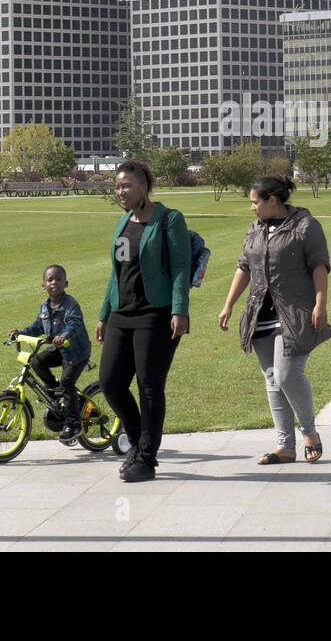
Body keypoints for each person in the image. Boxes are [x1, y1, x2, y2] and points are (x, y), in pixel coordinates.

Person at [218, 176, 330, 465]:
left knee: (287, 374)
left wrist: (320, 304)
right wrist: (228, 305)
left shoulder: (305, 225)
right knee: (272, 379)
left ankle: (309, 433)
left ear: (272, 200)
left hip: (293, 314)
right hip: (261, 315)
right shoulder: (255, 229)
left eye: (255, 202)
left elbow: (319, 265)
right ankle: (285, 447)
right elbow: (244, 267)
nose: (252, 208)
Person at [95, 160, 190, 482]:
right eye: (118, 186)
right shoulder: (124, 222)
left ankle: (146, 458)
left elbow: (180, 267)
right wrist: (104, 315)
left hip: (155, 313)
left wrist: (180, 310)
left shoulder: (169, 219)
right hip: (122, 314)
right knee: (110, 382)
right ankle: (138, 443)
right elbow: (116, 272)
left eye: (127, 186)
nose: (121, 192)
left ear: (144, 186)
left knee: (150, 388)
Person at [9, 264, 90, 444]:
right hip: (57, 350)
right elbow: (37, 326)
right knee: (37, 361)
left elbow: (75, 323)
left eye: (58, 279)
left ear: (66, 283)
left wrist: (64, 336)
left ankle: (74, 424)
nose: (54, 282)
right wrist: (19, 333)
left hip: (75, 352)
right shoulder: (45, 307)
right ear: (43, 285)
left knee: (67, 382)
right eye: (50, 280)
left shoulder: (70, 305)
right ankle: (54, 392)